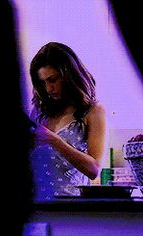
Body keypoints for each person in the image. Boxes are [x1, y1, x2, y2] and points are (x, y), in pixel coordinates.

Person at [28, 42, 106, 201]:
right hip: (37, 206)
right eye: (43, 83)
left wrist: (54, 140)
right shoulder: (38, 112)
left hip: (71, 207)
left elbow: (94, 170)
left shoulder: (93, 111)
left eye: (53, 80)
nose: (49, 89)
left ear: (69, 76)